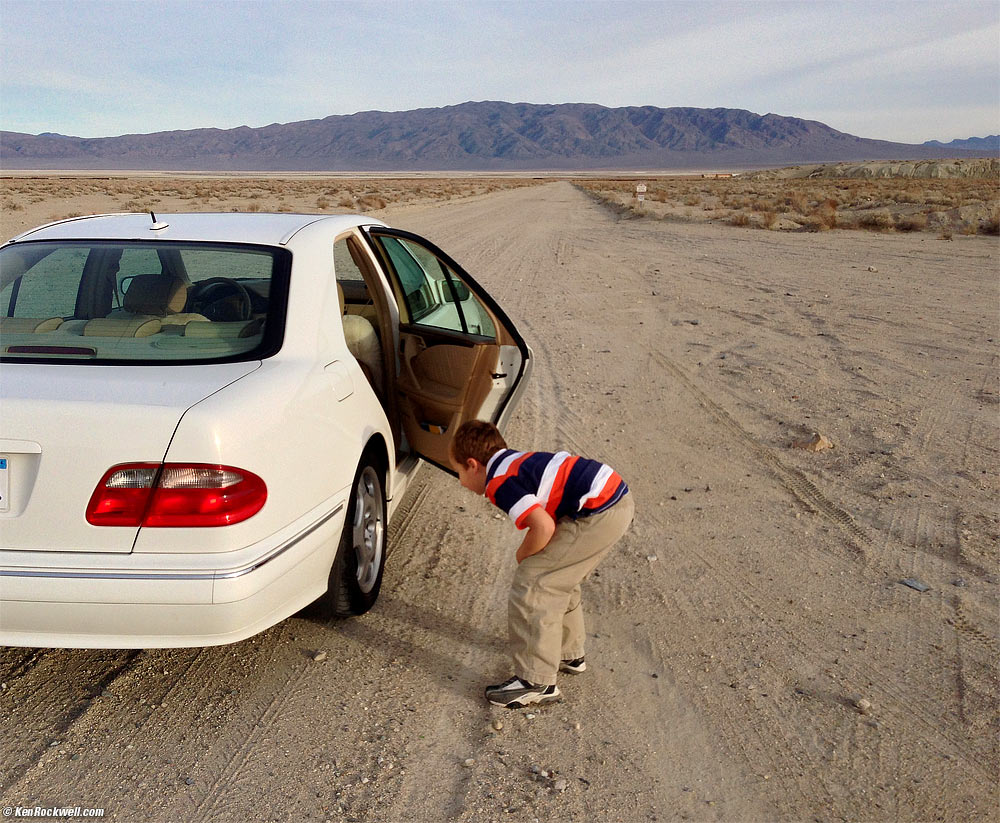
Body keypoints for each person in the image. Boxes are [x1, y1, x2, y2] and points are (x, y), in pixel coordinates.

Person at [448, 419, 634, 708]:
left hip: (598, 510)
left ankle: (536, 681)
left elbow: (543, 526)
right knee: (559, 575)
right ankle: (567, 652)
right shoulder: (511, 461)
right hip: (611, 499)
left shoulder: (498, 481)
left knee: (535, 581)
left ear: (473, 464)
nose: (460, 480)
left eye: (458, 471)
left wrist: (523, 556)